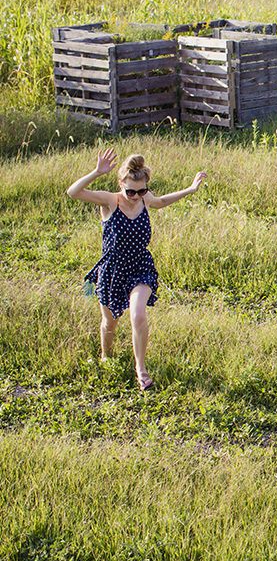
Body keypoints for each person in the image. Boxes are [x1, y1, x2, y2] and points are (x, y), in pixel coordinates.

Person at [66, 150, 206, 391]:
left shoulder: (144, 198)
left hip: (140, 267)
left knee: (138, 315)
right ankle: (106, 357)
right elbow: (73, 192)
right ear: (121, 184)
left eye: (141, 191)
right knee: (110, 323)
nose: (136, 196)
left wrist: (190, 189)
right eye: (131, 191)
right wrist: (97, 172)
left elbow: (161, 202)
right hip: (112, 271)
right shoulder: (111, 201)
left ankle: (140, 369)